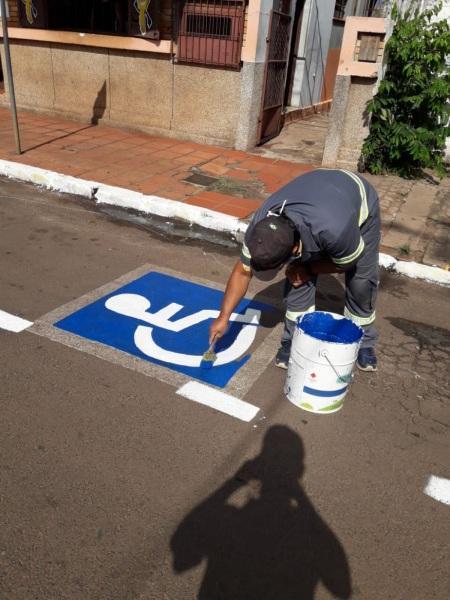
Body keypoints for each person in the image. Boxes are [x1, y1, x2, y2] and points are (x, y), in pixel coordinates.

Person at [209, 168, 381, 372]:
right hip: (316, 194)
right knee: (296, 277)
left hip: (357, 200)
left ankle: (364, 339)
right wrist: (223, 318)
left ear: (293, 248)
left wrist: (308, 268)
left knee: (361, 281)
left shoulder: (335, 230)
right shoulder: (260, 227)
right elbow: (242, 271)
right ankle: (293, 339)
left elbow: (348, 262)